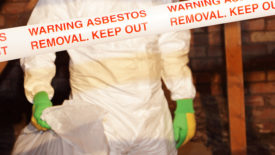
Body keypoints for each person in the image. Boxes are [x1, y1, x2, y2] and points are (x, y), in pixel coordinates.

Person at [21, 0, 196, 154]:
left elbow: (172, 44)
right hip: (96, 117)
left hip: (151, 115)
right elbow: (38, 39)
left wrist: (184, 102)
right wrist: (40, 92)